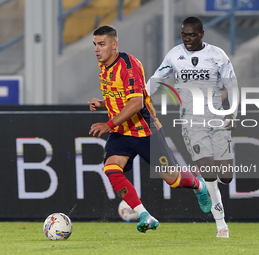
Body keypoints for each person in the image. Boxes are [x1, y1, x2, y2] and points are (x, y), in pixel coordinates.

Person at [88, 25, 212, 233]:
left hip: (145, 131)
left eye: (101, 44)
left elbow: (136, 103)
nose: (97, 49)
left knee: (172, 180)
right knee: (111, 168)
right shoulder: (104, 66)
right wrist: (103, 104)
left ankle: (200, 185)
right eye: (95, 45)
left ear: (114, 45)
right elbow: (120, 96)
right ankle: (145, 215)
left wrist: (108, 124)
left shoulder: (129, 65)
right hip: (122, 133)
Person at [147, 17, 239, 238]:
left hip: (217, 121)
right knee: (208, 173)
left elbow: (232, 85)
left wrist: (232, 112)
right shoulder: (174, 55)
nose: (187, 39)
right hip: (192, 123)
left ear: (202, 34)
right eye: (184, 35)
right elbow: (156, 80)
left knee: (226, 176)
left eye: (192, 35)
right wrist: (138, 97)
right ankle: (221, 225)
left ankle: (210, 189)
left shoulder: (217, 55)